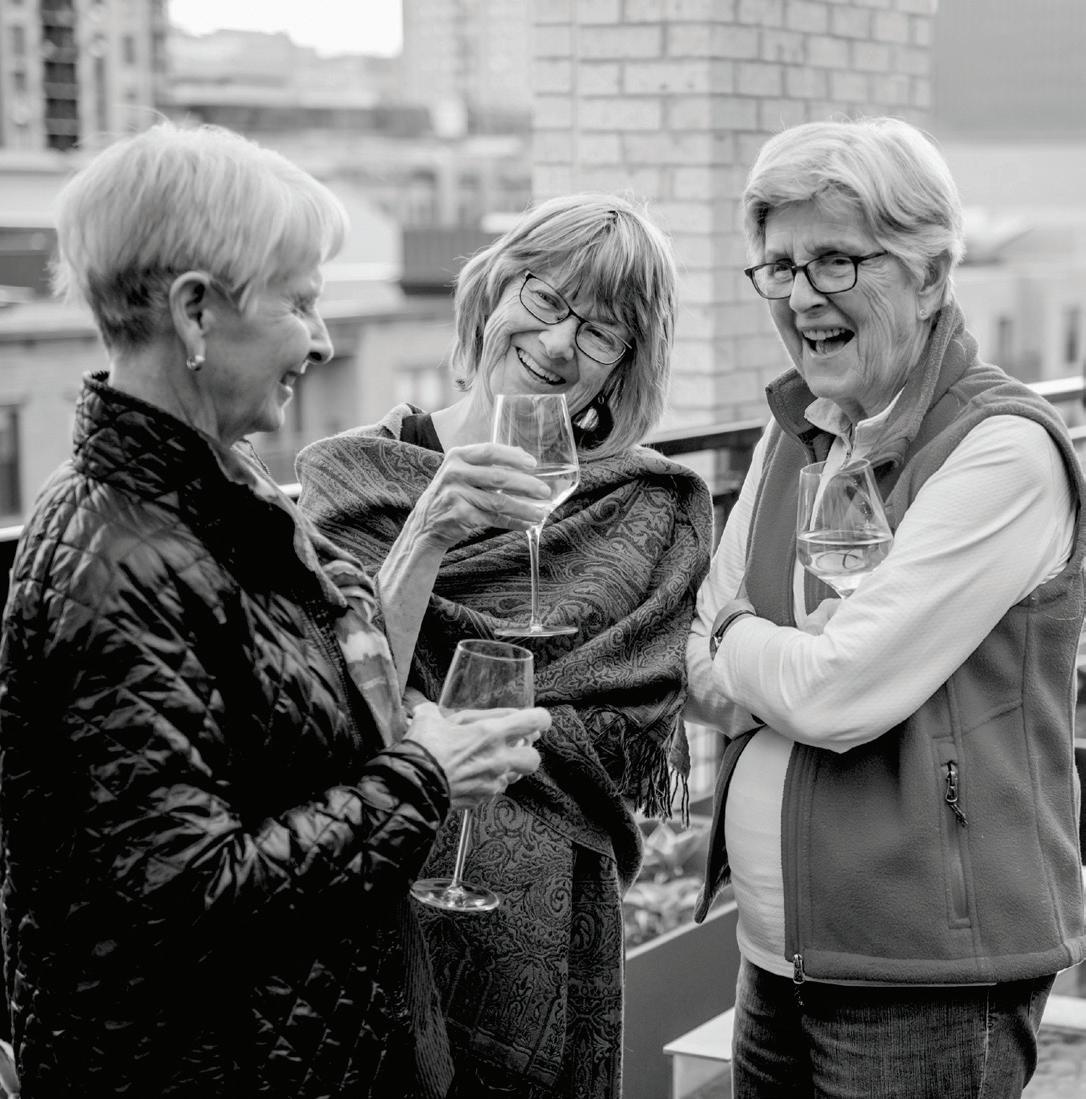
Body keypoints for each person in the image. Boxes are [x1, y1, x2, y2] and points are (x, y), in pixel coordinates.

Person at [0, 121, 549, 1099]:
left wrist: (408, 737)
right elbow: (191, 891)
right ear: (195, 312)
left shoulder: (216, 502)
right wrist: (425, 775)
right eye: (300, 302)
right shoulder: (119, 562)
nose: (324, 340)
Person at [686, 115, 1086, 1098]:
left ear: (932, 274)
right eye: (780, 266)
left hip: (925, 977)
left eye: (836, 260)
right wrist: (772, 650)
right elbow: (691, 663)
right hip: (774, 956)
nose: (801, 294)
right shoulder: (800, 429)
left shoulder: (1002, 449)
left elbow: (833, 694)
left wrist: (743, 635)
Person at [297, 192, 714, 1099]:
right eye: (546, 299)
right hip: (378, 900)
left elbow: (625, 730)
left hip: (550, 937)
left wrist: (439, 719)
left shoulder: (646, 509)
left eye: (601, 332)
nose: (560, 343)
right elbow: (329, 709)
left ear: (623, 368)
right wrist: (428, 532)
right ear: (492, 292)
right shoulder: (351, 477)